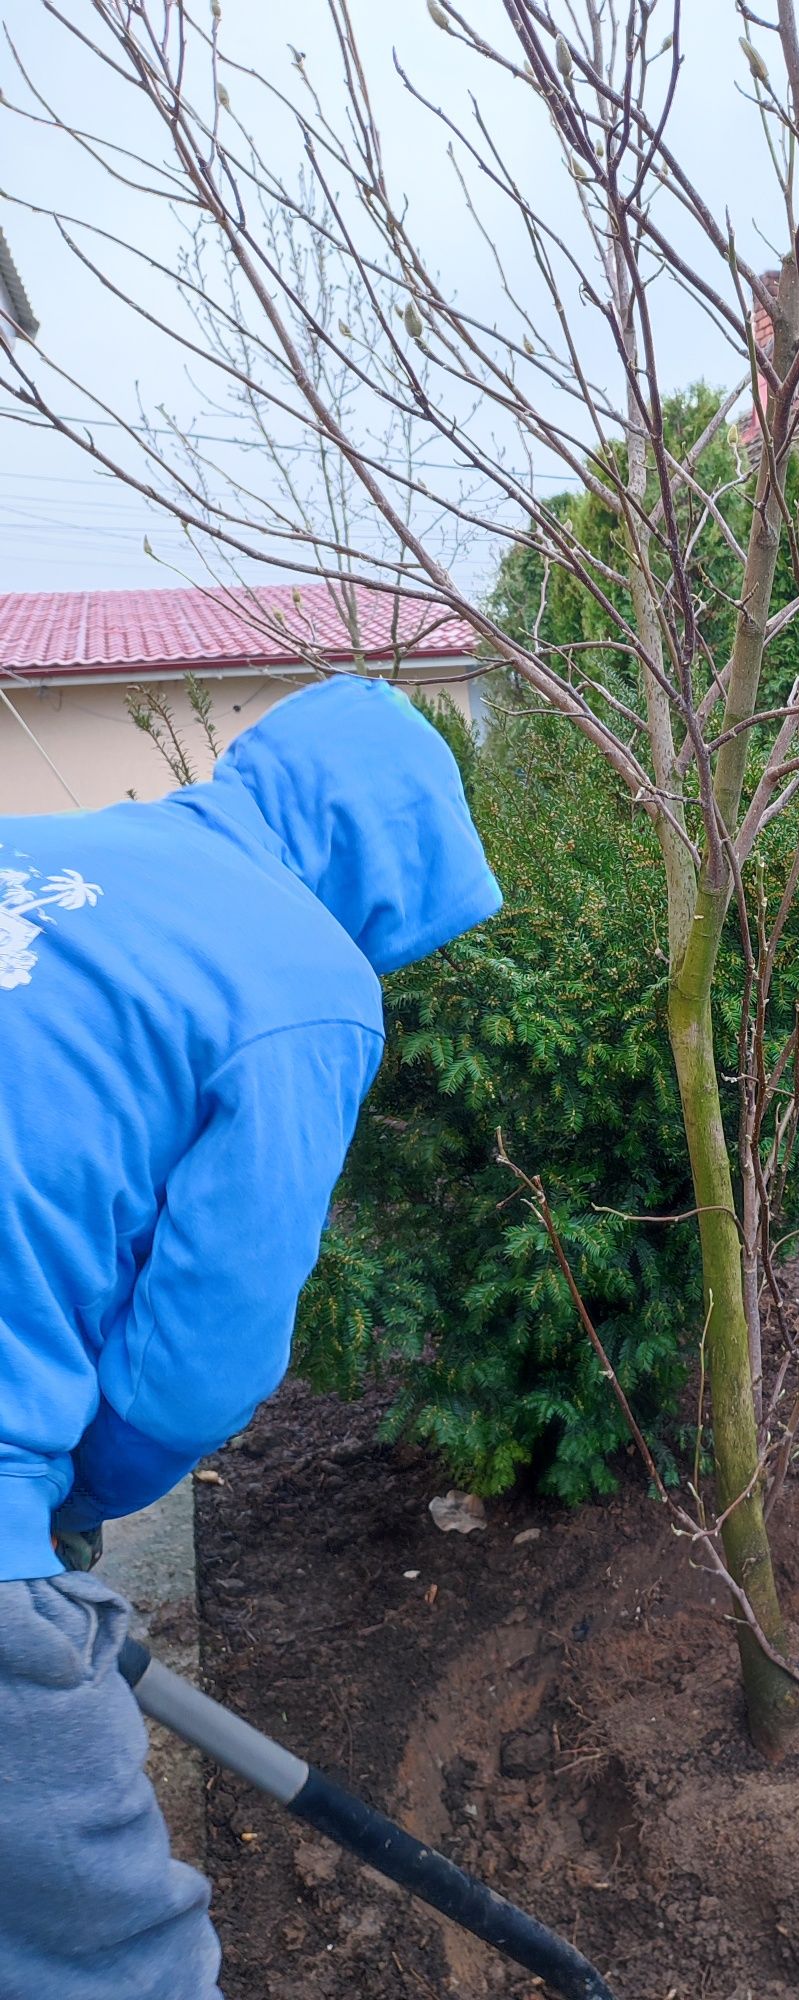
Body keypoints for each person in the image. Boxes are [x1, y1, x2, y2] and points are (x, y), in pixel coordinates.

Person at [0, 675, 501, 2000]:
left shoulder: (48, 855)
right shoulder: (300, 974)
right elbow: (192, 1374)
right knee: (111, 1964)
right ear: (386, 858)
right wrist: (66, 1517)